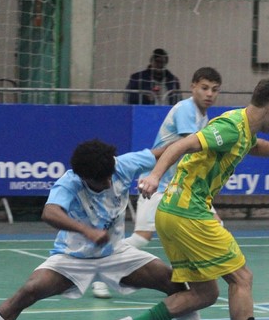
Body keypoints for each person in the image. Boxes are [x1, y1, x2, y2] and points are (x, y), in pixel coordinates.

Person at [0, 139, 230, 320]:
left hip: (116, 253)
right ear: (83, 177)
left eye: (109, 176)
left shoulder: (122, 165)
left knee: (177, 285)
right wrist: (87, 231)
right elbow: (49, 213)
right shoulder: (69, 182)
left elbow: (165, 151)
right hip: (72, 258)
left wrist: (198, 142)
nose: (108, 182)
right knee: (27, 292)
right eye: (100, 180)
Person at [112, 75, 269, 320]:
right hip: (188, 211)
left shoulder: (243, 128)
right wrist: (155, 175)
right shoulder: (230, 127)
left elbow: (256, 146)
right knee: (242, 278)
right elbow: (182, 144)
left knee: (205, 293)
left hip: (172, 212)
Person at [93, 66, 223, 299]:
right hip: (159, 185)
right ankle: (102, 272)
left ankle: (188, 277)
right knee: (142, 237)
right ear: (193, 86)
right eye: (204, 88)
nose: (209, 94)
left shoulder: (203, 117)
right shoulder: (185, 110)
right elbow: (192, 148)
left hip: (183, 188)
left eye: (214, 90)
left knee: (215, 225)